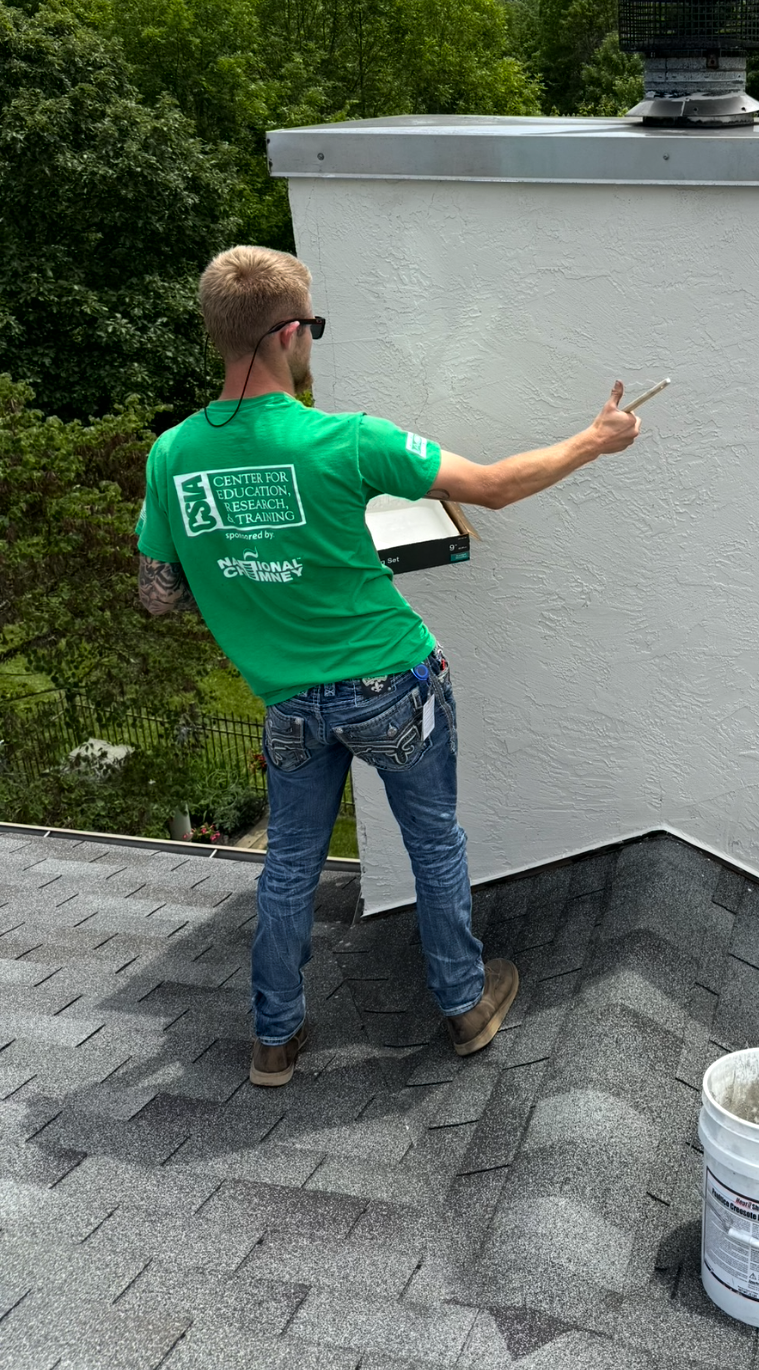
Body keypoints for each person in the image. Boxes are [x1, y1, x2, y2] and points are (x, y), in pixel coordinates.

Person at [136, 245, 640, 1086]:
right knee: (434, 842)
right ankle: (465, 1004)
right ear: (289, 332)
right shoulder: (346, 439)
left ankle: (275, 1037)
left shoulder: (171, 456)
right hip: (389, 684)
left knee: (290, 859)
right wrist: (596, 438)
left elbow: (158, 594)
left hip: (288, 700)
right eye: (311, 330)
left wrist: (246, 568)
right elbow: (493, 486)